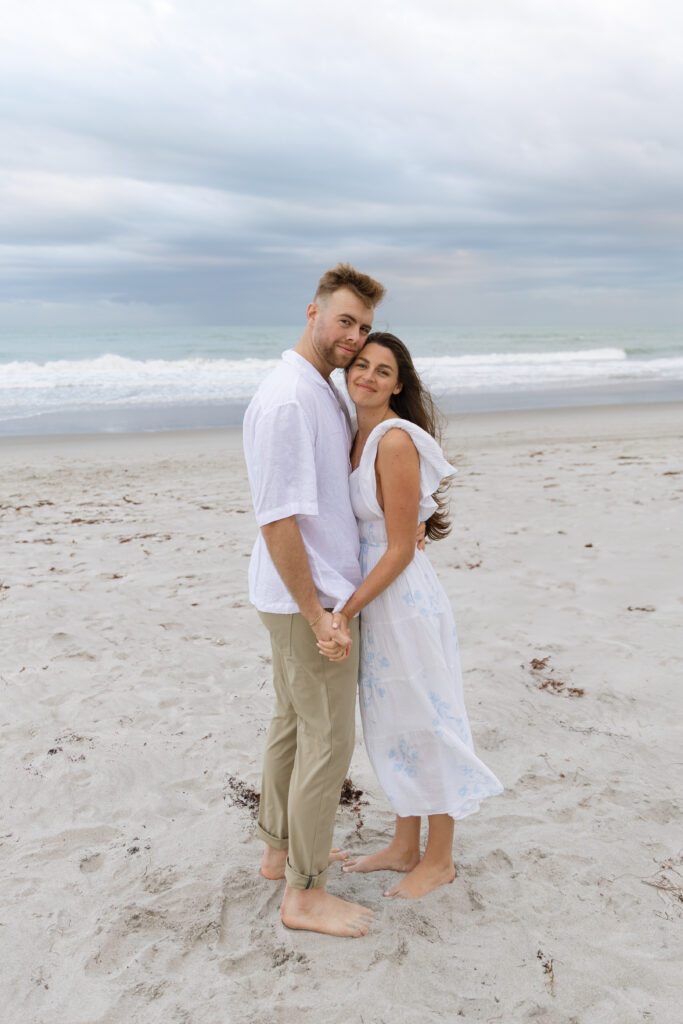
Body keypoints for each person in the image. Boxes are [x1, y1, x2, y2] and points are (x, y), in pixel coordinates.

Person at [319, 332, 503, 899]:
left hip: (400, 599)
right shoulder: (355, 434)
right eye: (361, 365)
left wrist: (343, 611)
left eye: (383, 371)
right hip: (378, 596)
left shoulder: (394, 441)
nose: (368, 377)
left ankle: (439, 857)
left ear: (399, 384)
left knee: (429, 719)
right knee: (395, 721)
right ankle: (404, 846)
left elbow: (399, 548)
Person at [242, 263, 386, 938]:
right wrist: (319, 614)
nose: (354, 338)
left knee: (294, 726)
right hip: (308, 597)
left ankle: (280, 852)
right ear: (311, 313)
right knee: (327, 740)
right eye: (344, 321)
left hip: (303, 592)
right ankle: (304, 894)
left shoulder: (318, 389)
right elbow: (277, 520)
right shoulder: (289, 400)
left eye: (363, 327)